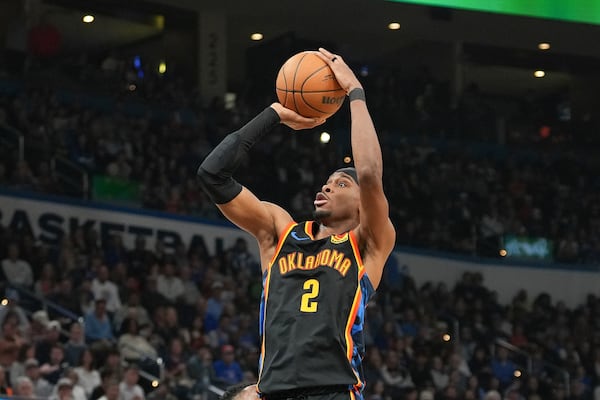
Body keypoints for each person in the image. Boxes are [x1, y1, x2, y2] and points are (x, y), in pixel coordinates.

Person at [198, 48, 396, 400]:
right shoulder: (279, 231)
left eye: (340, 184)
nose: (327, 186)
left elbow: (368, 173)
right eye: (328, 181)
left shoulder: (367, 244)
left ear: (363, 207)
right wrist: (273, 114)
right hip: (274, 392)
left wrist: (355, 93)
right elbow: (212, 174)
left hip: (333, 391)